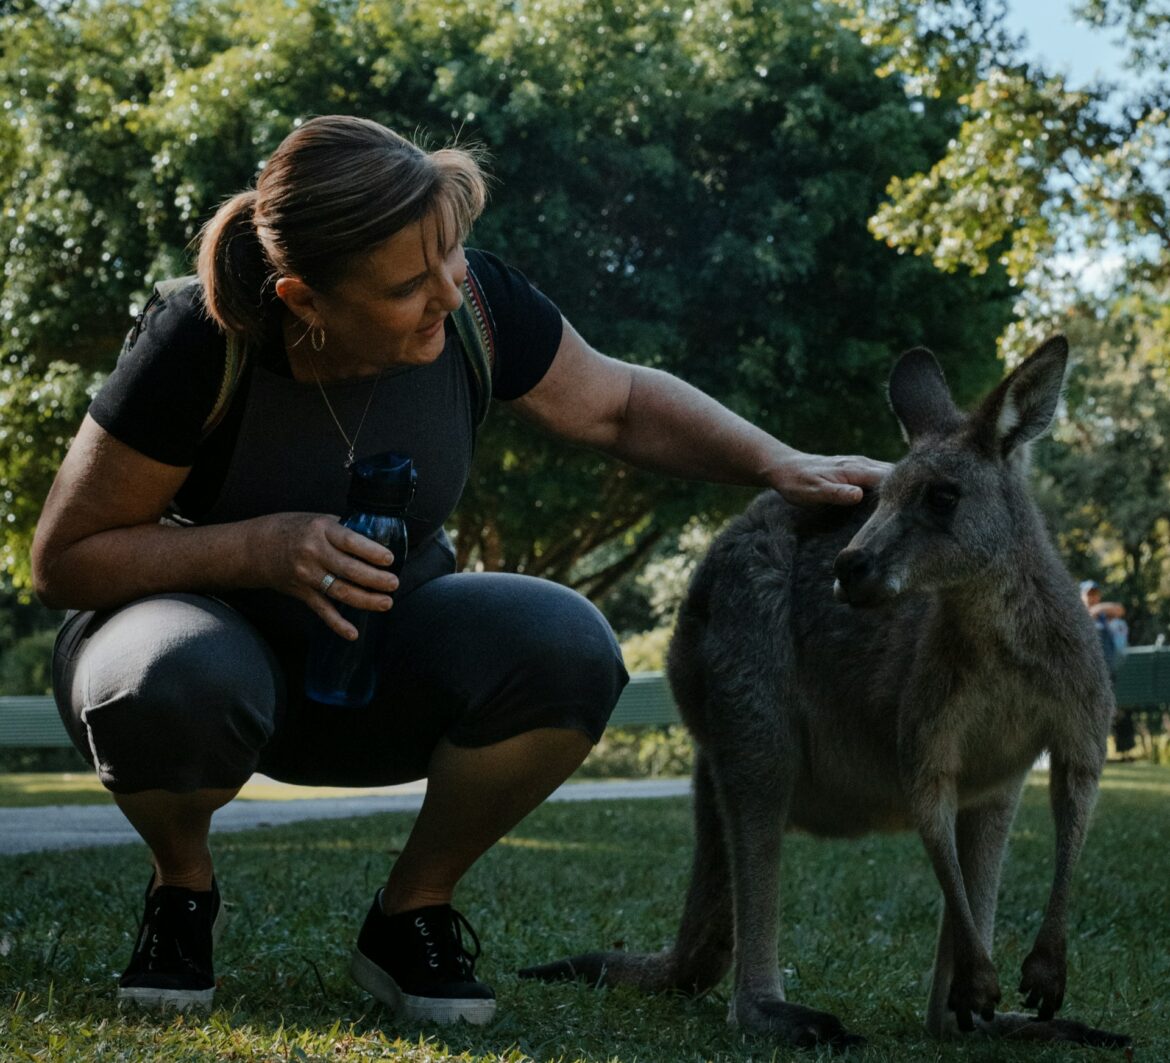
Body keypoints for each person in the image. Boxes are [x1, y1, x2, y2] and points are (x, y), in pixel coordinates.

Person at [31, 115, 889, 1023]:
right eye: (408, 284)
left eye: (452, 258)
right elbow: (65, 561)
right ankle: (182, 890)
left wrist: (776, 461)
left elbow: (619, 403)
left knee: (568, 646)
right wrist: (258, 546)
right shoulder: (200, 340)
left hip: (379, 654)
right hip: (197, 663)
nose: (447, 291)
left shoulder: (473, 304)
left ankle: (412, 913)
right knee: (179, 673)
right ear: (303, 298)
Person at [1080, 579, 1133, 757]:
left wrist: (1099, 608)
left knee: (1106, 714)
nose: (1093, 598)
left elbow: (1119, 609)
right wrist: (1093, 610)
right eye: (1089, 594)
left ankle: (1104, 752)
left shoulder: (1103, 615)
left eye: (1095, 594)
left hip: (1108, 674)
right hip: (1086, 676)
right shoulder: (1077, 613)